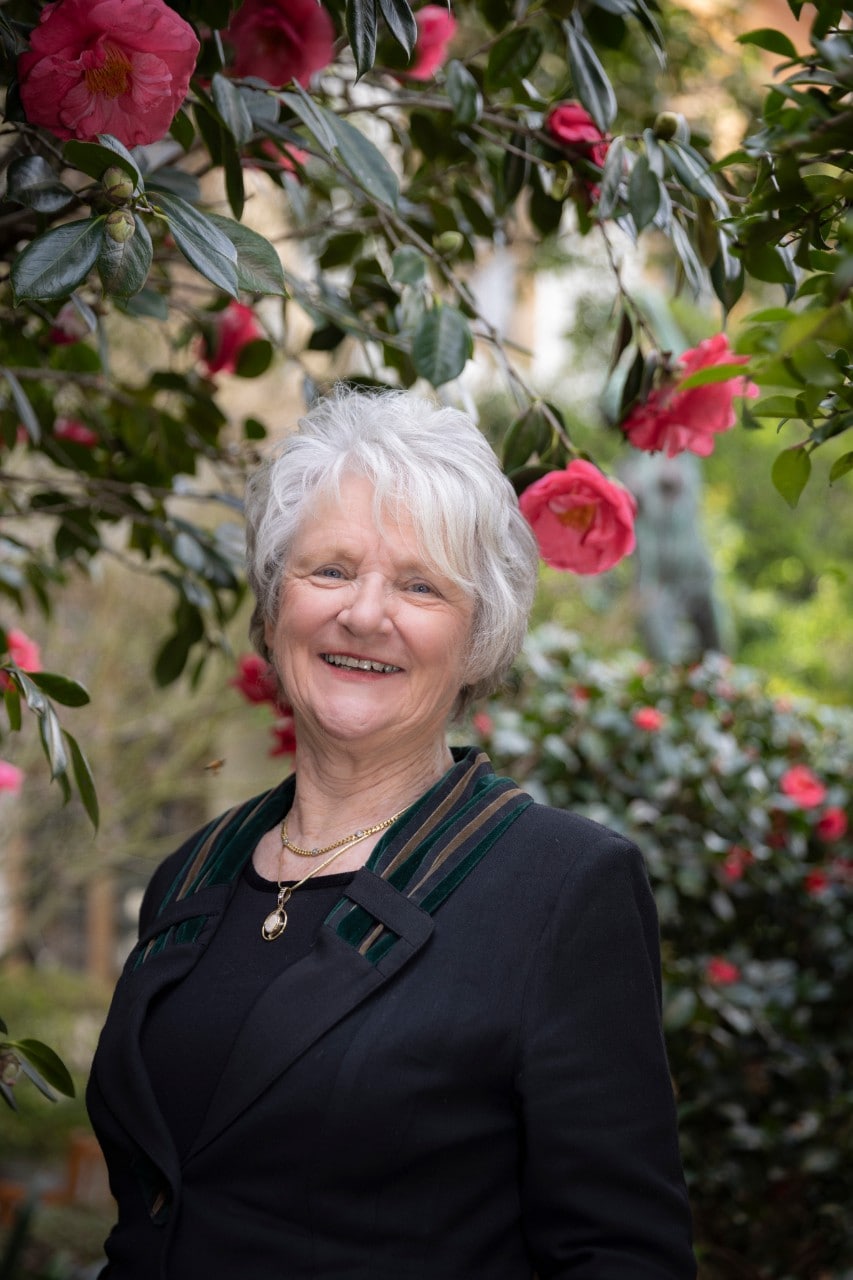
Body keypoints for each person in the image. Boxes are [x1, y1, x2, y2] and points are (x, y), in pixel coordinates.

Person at [87, 388, 696, 1279]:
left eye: (418, 585)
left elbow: (621, 1258)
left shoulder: (562, 887)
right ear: (272, 606)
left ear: (478, 637)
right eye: (330, 570)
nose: (365, 614)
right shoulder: (194, 873)